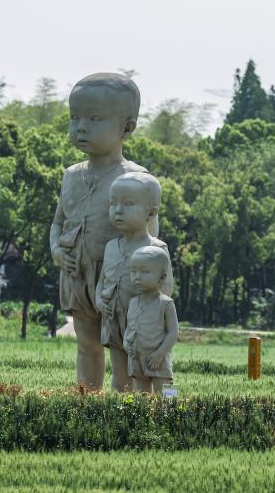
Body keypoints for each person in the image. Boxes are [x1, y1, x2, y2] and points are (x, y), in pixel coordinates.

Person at [49, 73, 158, 389]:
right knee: (86, 344)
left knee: (122, 346)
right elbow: (58, 223)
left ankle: (123, 405)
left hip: (119, 280)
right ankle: (87, 400)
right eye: (75, 118)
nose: (81, 127)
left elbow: (151, 241)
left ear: (127, 128)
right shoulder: (71, 176)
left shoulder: (136, 180)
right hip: (77, 274)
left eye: (95, 118)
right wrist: (57, 251)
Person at [95, 172, 174, 392]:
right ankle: (125, 408)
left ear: (151, 212)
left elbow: (166, 290)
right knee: (122, 373)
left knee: (161, 374)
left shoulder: (157, 250)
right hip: (115, 322)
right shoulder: (111, 247)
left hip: (149, 329)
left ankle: (171, 407)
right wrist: (99, 301)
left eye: (128, 204)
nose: (118, 210)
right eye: (113, 204)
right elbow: (102, 281)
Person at [124, 246, 178, 395]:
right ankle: (143, 411)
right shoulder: (133, 303)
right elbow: (129, 328)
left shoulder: (166, 304)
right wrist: (126, 343)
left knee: (167, 392)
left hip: (158, 358)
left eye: (145, 272)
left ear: (162, 277)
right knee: (141, 395)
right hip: (137, 358)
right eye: (133, 271)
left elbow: (173, 332)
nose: (137, 277)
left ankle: (174, 408)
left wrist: (160, 354)